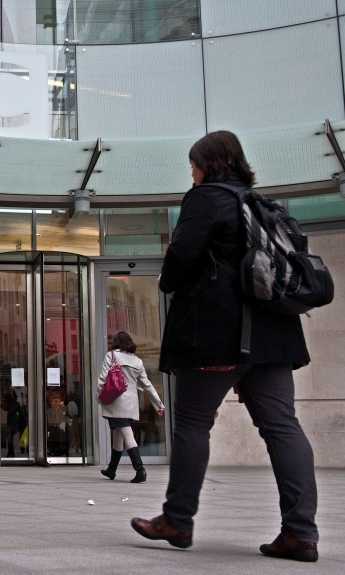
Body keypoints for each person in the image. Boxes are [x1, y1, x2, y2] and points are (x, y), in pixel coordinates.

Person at [131, 131, 319, 562]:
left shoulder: (205, 198)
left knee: (193, 424)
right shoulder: (263, 205)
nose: (191, 172)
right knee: (282, 428)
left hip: (217, 336)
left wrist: (167, 278)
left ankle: (177, 520)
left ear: (207, 164)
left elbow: (181, 261)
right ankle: (301, 533)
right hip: (273, 338)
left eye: (194, 164)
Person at [98, 331, 164, 483]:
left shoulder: (112, 356)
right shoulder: (138, 361)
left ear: (116, 342)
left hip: (115, 401)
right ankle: (111, 470)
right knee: (118, 434)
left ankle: (140, 470)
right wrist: (158, 404)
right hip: (131, 402)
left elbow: (102, 379)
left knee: (126, 433)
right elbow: (147, 385)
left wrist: (99, 397)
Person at [1, 386, 24, 457]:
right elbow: (3, 404)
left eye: (11, 391)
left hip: (12, 423)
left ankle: (11, 453)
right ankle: (11, 453)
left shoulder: (15, 404)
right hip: (10, 423)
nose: (10, 392)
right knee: (9, 439)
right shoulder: (9, 402)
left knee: (10, 438)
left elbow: (21, 414)